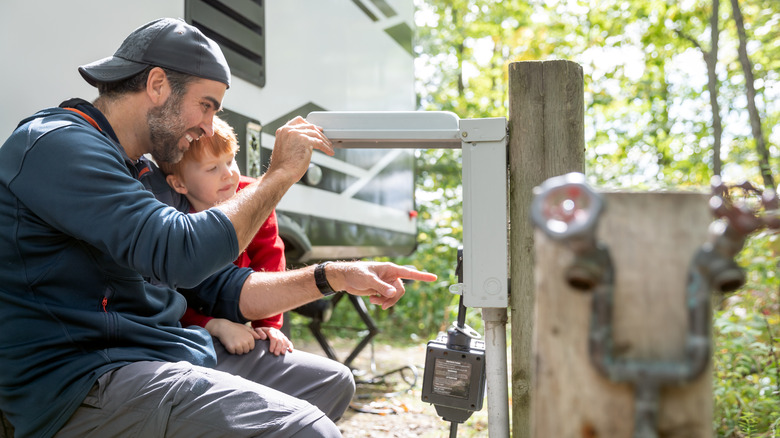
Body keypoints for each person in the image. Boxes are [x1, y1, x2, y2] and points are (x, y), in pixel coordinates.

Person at [0, 17, 437, 438]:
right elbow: (180, 253)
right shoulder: (58, 145)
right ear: (156, 85)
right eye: (206, 105)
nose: (209, 126)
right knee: (308, 429)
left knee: (330, 383)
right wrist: (277, 175)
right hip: (86, 381)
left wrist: (333, 276)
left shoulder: (136, 169)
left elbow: (220, 286)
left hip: (161, 353)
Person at [159, 115, 292, 356]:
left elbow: (270, 258)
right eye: (212, 168)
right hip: (191, 321)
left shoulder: (253, 198)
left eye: (231, 161)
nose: (229, 174)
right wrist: (212, 324)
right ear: (179, 184)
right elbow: (169, 294)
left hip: (243, 299)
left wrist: (268, 324)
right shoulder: (172, 217)